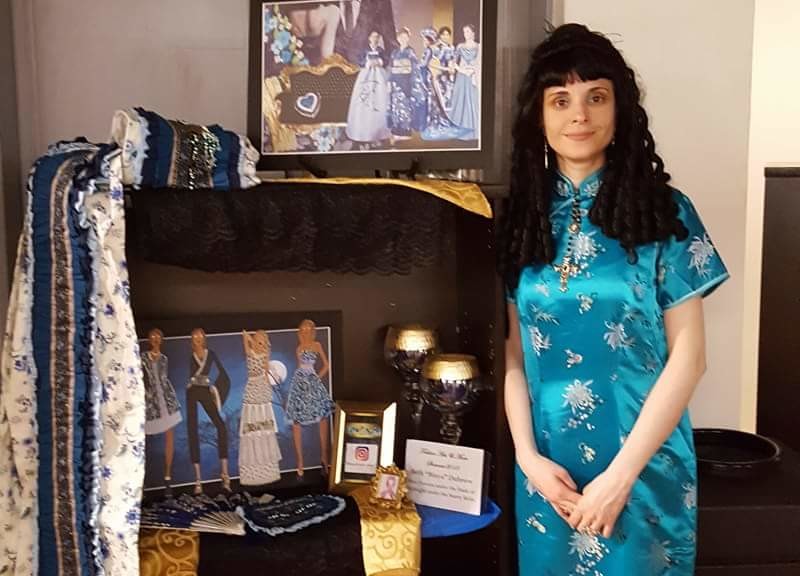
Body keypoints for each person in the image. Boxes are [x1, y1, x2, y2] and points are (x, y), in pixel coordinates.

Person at [497, 23, 729, 575]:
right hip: (550, 476)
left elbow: (690, 358)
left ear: (620, 109)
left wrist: (621, 477)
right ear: (539, 118)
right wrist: (528, 460)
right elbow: (513, 355)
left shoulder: (664, 212)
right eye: (561, 100)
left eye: (596, 97)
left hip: (642, 469)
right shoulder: (521, 221)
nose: (579, 115)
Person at [285, 319, 335, 478]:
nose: (305, 333)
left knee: (322, 417)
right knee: (296, 420)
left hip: (312, 380)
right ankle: (300, 462)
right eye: (303, 330)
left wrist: (317, 378)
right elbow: (300, 366)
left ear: (313, 331)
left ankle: (324, 457)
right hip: (300, 381)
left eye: (308, 330)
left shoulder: (317, 345)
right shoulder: (298, 348)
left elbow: (327, 365)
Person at [186, 328, 231, 494]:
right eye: (194, 337)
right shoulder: (191, 356)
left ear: (204, 338)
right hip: (192, 392)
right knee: (192, 430)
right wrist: (192, 382)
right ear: (192, 340)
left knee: (221, 426)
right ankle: (198, 479)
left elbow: (223, 374)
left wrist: (214, 389)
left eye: (200, 336)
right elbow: (192, 376)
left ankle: (224, 474)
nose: (197, 339)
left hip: (205, 390)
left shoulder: (210, 354)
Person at [239, 330, 286, 486]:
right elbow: (246, 341)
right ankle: (252, 471)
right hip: (252, 392)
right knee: (252, 428)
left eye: (263, 343)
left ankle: (267, 469)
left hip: (262, 392)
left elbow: (266, 373)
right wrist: (248, 338)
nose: (261, 345)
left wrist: (269, 389)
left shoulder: (265, 356)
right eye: (259, 342)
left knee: (265, 428)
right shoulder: (250, 353)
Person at [141, 328, 182, 496]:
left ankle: (167, 477)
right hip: (150, 400)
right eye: (152, 338)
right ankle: (142, 480)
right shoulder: (143, 357)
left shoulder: (164, 359)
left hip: (166, 399)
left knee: (169, 437)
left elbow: (164, 379)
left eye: (158, 338)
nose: (155, 340)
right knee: (144, 440)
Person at [345, 31, 391, 145]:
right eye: (373, 37)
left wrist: (379, 62)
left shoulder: (380, 50)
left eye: (377, 37)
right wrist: (368, 63)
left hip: (379, 75)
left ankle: (380, 133)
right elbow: (360, 60)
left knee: (381, 99)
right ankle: (364, 131)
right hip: (366, 75)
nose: (375, 39)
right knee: (364, 100)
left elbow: (385, 60)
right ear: (369, 38)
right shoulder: (365, 50)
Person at [449, 24, 481, 140]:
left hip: (472, 77)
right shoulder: (460, 46)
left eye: (468, 31)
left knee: (472, 101)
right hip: (462, 77)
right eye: (464, 32)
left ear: (473, 33)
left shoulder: (478, 46)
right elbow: (453, 61)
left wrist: (472, 71)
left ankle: (473, 130)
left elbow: (479, 63)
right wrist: (458, 69)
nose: (466, 34)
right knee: (460, 101)